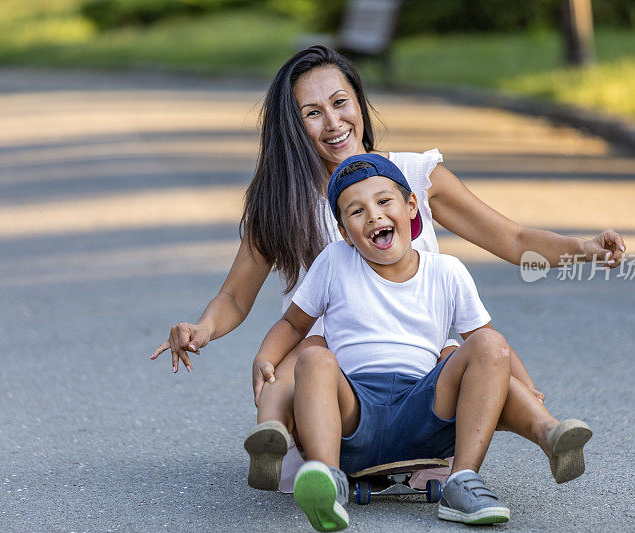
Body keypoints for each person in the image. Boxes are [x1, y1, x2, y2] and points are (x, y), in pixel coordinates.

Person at [150, 45, 624, 490]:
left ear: (359, 101)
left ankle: (509, 446)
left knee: (467, 354)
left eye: (340, 102)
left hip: (420, 364)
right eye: (312, 113)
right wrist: (203, 328)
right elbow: (235, 296)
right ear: (293, 127)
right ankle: (308, 456)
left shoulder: (415, 176)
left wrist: (582, 248)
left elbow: (515, 240)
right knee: (301, 357)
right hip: (335, 380)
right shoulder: (281, 201)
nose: (333, 122)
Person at [253, 153, 590, 530]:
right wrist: (265, 357)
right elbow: (293, 324)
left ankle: (463, 480)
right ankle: (327, 480)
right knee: (314, 358)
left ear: (411, 205)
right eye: (357, 211)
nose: (374, 216)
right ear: (345, 232)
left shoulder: (446, 272)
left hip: (424, 408)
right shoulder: (335, 261)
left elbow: (490, 350)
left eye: (384, 202)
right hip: (353, 414)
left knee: (489, 343)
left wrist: (526, 390)